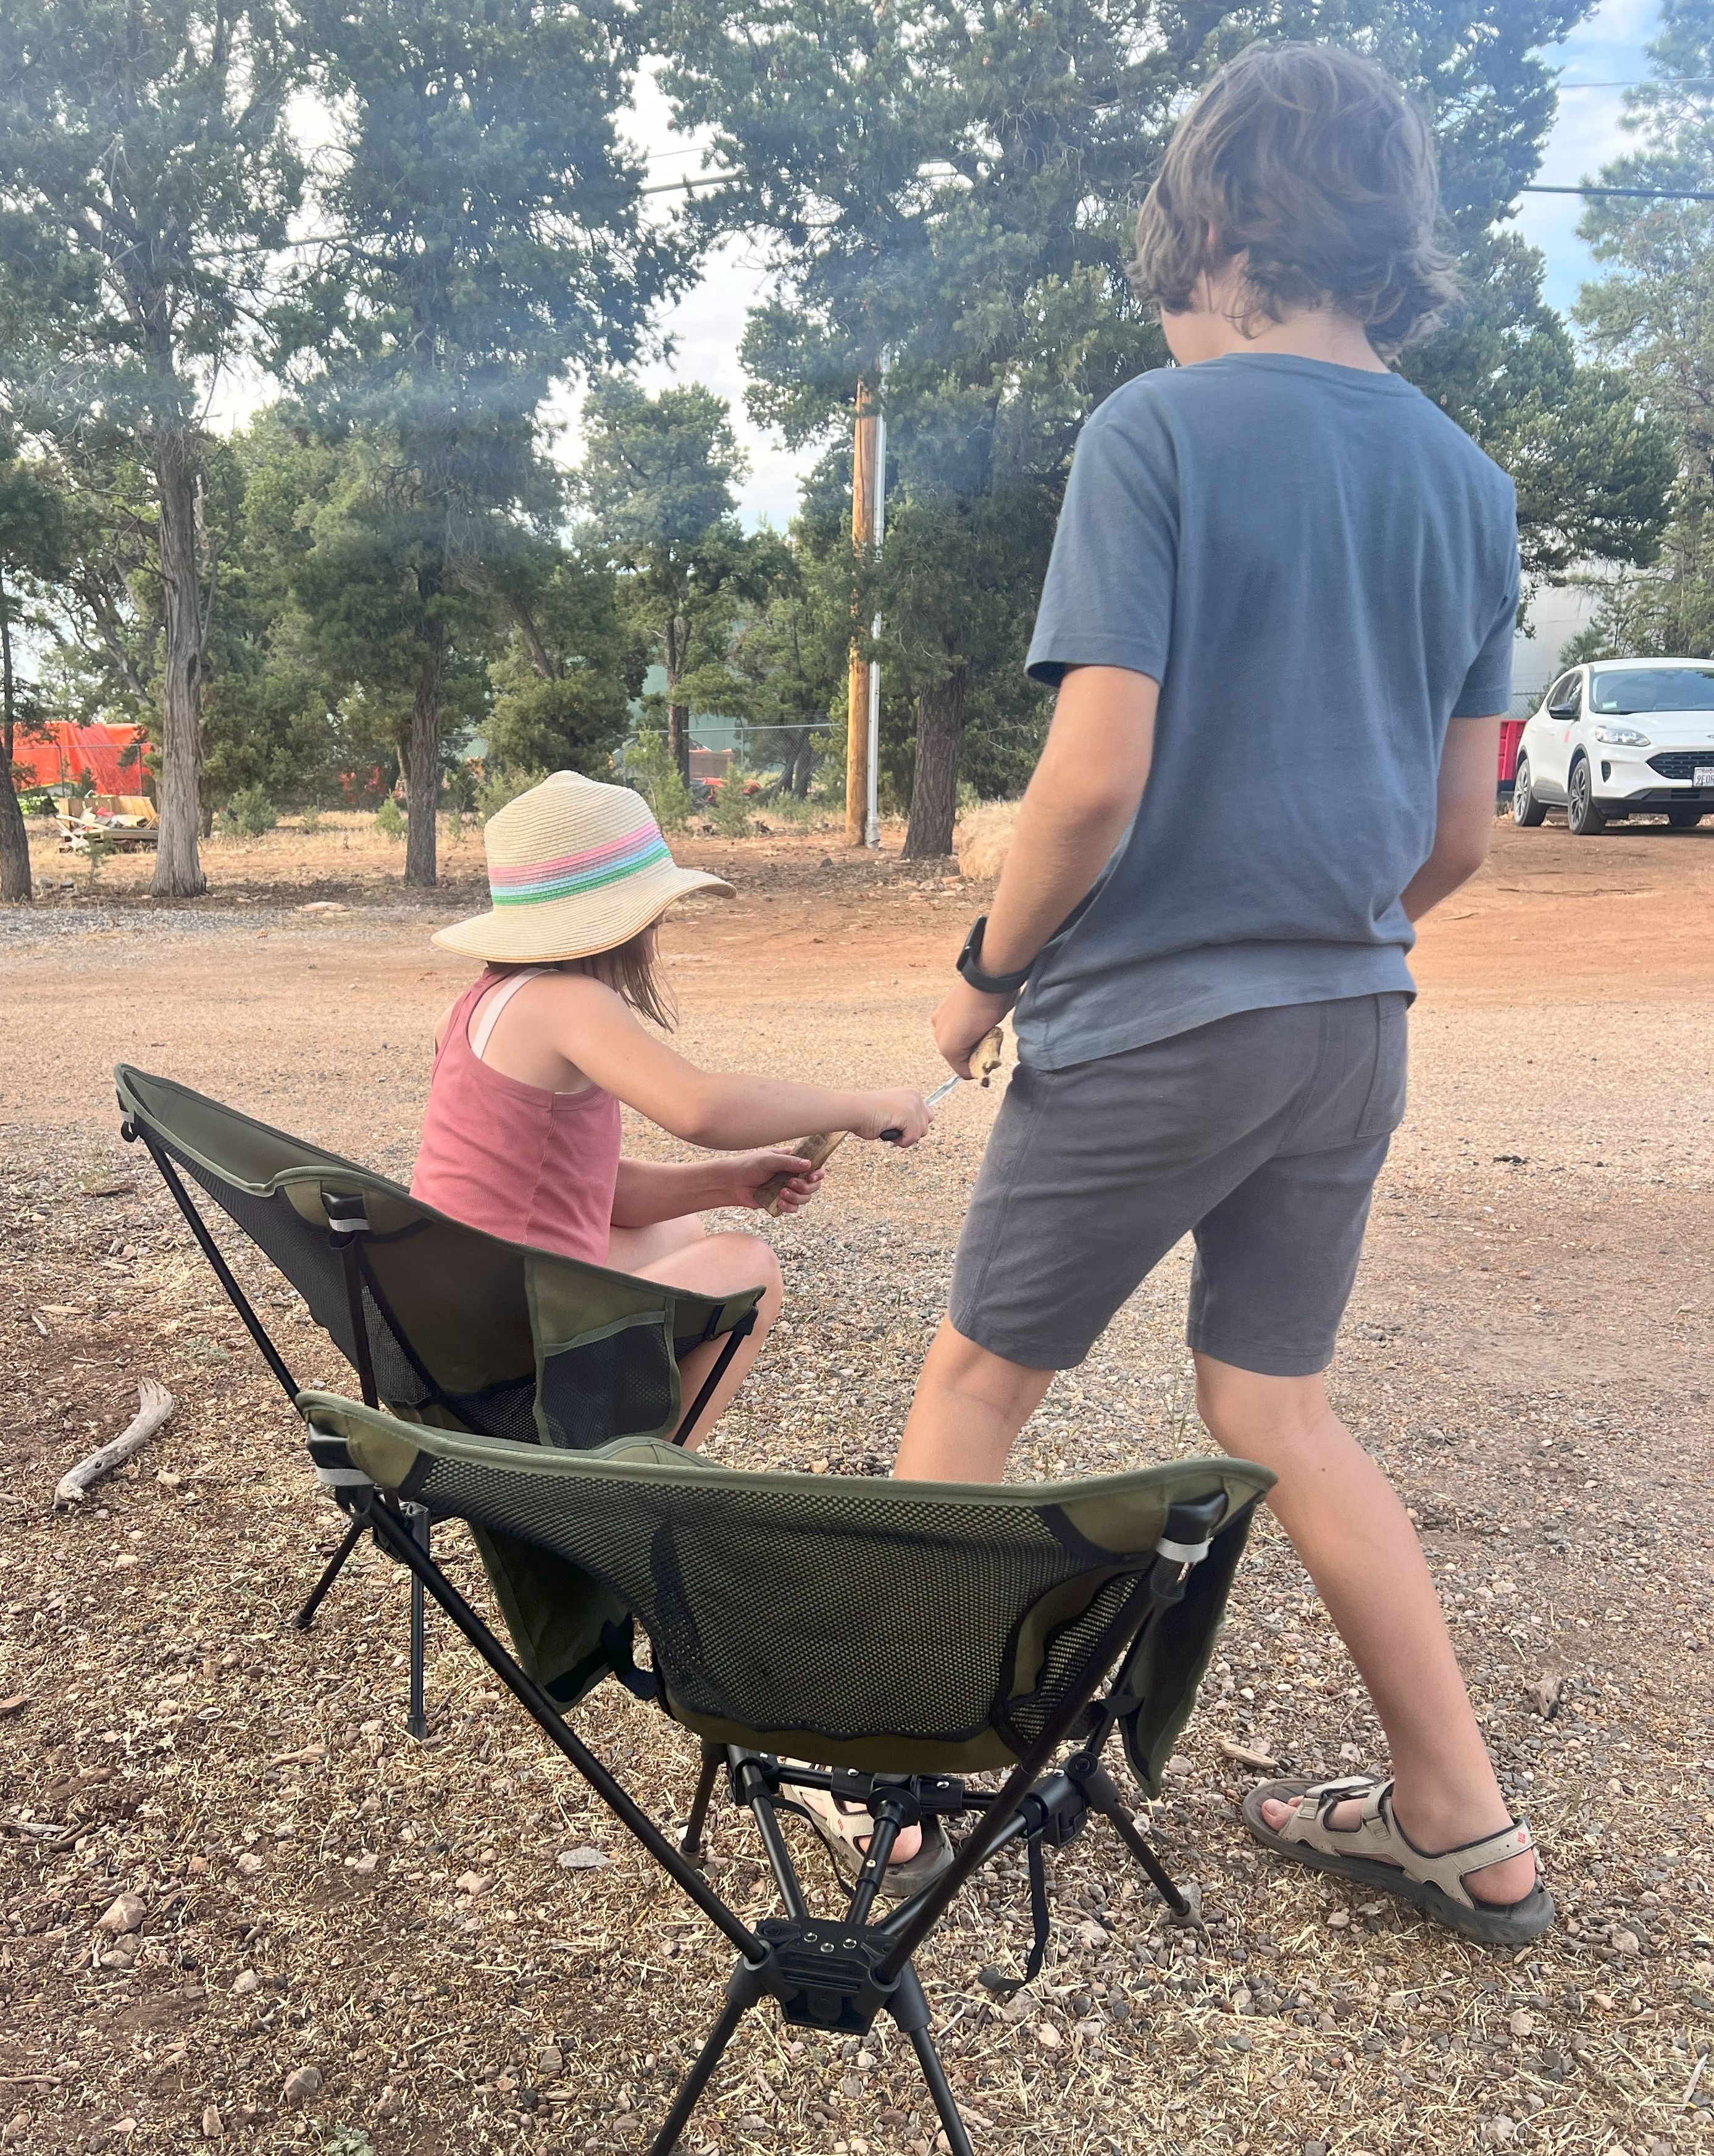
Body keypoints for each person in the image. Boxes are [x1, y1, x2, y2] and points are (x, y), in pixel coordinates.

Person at [895, 45, 1551, 1946]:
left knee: (976, 1385)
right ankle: (1461, 1817)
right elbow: (1459, 837)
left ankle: (911, 1790)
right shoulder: (1466, 480)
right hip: (1354, 1024)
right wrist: (1329, 922)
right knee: (1278, 1409)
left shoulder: (1156, 434)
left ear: (1208, 238)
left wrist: (979, 982)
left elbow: (1091, 781)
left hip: (1154, 1028)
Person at [414, 768, 932, 1453]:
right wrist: (861, 1105)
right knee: (749, 1271)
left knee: (687, 1234)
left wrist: (729, 1182)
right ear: (624, 918)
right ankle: (638, 1484)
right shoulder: (567, 1003)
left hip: (445, 1316)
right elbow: (699, 1107)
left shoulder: (488, 1000)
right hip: (504, 1338)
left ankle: (607, 1439)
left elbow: (579, 1187)